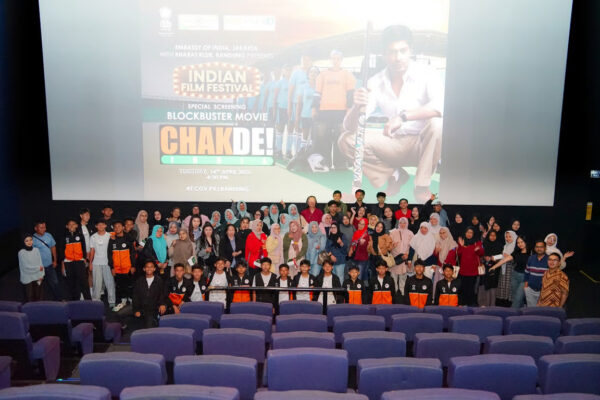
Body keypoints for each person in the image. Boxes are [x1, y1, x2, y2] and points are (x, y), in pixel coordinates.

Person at [340, 25, 443, 200]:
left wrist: (402, 117)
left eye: (403, 50)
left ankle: (421, 186)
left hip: (422, 144)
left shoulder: (427, 73)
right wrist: (356, 107)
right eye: (392, 52)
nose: (398, 57)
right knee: (346, 140)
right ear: (384, 55)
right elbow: (349, 127)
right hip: (394, 143)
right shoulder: (375, 81)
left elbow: (439, 107)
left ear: (411, 50)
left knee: (437, 123)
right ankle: (395, 175)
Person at [312, 50, 355, 170]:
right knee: (323, 137)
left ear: (341, 60)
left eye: (338, 59)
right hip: (324, 110)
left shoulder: (347, 75)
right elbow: (317, 93)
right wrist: (314, 109)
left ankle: (340, 164)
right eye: (333, 58)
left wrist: (349, 111)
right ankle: (324, 163)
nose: (335, 61)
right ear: (330, 59)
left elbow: (350, 94)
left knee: (340, 137)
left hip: (341, 111)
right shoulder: (322, 75)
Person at [108, 220, 136, 312]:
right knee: (120, 286)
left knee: (130, 285)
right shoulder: (112, 239)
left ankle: (132, 302)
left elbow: (133, 253)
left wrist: (133, 265)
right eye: (115, 227)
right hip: (117, 268)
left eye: (119, 226)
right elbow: (109, 255)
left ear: (123, 227)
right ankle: (123, 302)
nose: (117, 228)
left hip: (128, 267)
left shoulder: (128, 238)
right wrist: (112, 267)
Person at [61, 218, 91, 301]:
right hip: (68, 262)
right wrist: (63, 265)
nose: (71, 226)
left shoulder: (80, 235)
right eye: (69, 225)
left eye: (73, 224)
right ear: (67, 226)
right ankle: (73, 302)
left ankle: (88, 301)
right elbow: (61, 251)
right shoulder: (64, 237)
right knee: (71, 283)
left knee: (84, 282)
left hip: (79, 261)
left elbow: (84, 248)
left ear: (77, 225)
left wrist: (84, 259)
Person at [89, 220, 115, 308]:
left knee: (110, 282)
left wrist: (113, 264)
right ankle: (96, 300)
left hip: (107, 263)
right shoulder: (93, 237)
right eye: (98, 225)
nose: (100, 226)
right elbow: (92, 250)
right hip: (96, 263)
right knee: (97, 283)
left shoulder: (110, 236)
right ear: (96, 226)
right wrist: (90, 263)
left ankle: (112, 301)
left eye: (102, 224)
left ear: (105, 225)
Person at [32, 220, 61, 300]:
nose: (43, 229)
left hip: (49, 265)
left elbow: (53, 247)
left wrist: (55, 260)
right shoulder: (32, 239)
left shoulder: (48, 235)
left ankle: (60, 299)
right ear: (36, 228)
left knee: (55, 283)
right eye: (41, 227)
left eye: (44, 227)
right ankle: (37, 301)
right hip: (39, 267)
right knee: (38, 285)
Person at [132, 261, 165, 328]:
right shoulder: (139, 281)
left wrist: (162, 304)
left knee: (148, 327)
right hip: (140, 308)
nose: (149, 268)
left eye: (151, 267)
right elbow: (135, 296)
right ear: (144, 269)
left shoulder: (159, 280)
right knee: (120, 314)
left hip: (152, 310)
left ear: (154, 269)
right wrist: (136, 310)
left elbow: (162, 294)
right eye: (147, 267)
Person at [456, 227, 484, 306]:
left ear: (473, 234)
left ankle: (471, 306)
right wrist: (461, 246)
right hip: (463, 271)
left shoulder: (477, 242)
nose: (469, 234)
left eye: (471, 232)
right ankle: (463, 304)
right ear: (465, 233)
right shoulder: (462, 242)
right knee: (463, 289)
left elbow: (481, 253)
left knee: (471, 290)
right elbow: (458, 254)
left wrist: (478, 249)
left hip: (473, 271)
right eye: (467, 232)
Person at [388, 217, 414, 296]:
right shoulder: (393, 232)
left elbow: (412, 248)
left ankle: (402, 295)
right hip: (395, 259)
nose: (402, 224)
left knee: (403, 278)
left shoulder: (410, 233)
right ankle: (394, 294)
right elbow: (388, 246)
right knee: (393, 277)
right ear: (398, 223)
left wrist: (409, 258)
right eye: (401, 223)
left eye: (404, 223)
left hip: (404, 258)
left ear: (407, 224)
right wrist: (392, 245)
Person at [491, 230, 517, 306]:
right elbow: (503, 257)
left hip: (511, 269)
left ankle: (509, 305)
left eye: (510, 237)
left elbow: (517, 260)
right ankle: (502, 304)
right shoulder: (505, 246)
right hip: (503, 269)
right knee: (503, 287)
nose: (508, 238)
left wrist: (508, 257)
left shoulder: (516, 247)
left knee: (509, 287)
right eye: (506, 237)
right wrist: (496, 258)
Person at [478, 230, 503, 307]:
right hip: (485, 268)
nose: (492, 237)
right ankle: (484, 303)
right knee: (484, 285)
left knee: (493, 286)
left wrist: (495, 258)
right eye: (491, 235)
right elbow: (480, 255)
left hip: (496, 268)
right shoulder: (485, 244)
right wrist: (484, 258)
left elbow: (502, 256)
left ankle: (492, 304)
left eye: (494, 235)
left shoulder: (500, 245)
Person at [18, 235, 45, 302]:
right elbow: (26, 267)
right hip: (27, 278)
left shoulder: (36, 250)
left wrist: (42, 275)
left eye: (30, 240)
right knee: (29, 298)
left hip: (37, 276)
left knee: (38, 296)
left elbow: (40, 263)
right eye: (26, 241)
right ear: (23, 242)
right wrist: (38, 269)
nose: (29, 242)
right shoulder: (21, 253)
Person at [524, 240, 550, 307]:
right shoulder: (531, 258)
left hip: (543, 291)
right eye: (537, 247)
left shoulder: (549, 259)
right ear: (535, 248)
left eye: (541, 247)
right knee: (530, 310)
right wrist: (526, 287)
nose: (539, 249)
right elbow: (527, 272)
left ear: (545, 248)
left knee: (541, 311)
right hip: (530, 290)